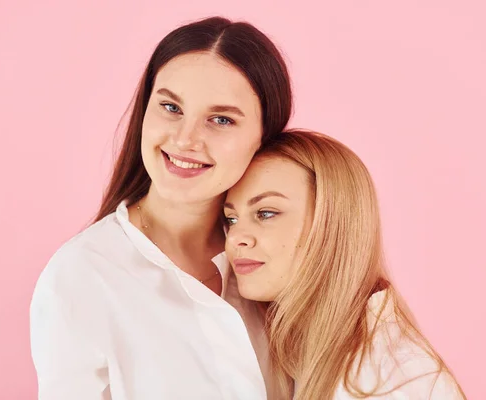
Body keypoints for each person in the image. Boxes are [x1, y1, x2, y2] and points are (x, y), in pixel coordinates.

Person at [29, 16, 292, 400]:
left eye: (221, 119)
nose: (186, 139)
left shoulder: (289, 251)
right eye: (171, 107)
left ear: (263, 138)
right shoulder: (82, 276)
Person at [224, 129, 467, 400]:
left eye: (266, 213)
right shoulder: (298, 353)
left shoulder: (389, 382)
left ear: (334, 223)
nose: (235, 238)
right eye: (231, 219)